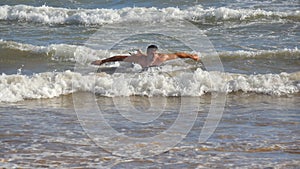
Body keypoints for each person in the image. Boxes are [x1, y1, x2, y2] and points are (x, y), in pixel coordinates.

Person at [91, 45, 200, 68]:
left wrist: (191, 56)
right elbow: (118, 57)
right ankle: (138, 51)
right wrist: (102, 61)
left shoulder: (162, 57)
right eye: (151, 53)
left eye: (155, 53)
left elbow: (178, 54)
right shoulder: (140, 59)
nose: (153, 55)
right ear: (147, 53)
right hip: (140, 61)